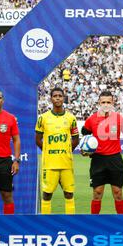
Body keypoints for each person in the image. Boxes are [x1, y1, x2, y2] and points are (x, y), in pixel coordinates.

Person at [81, 90, 123, 214]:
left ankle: (121, 222)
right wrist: (85, 151)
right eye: (103, 102)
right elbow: (85, 139)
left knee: (118, 193)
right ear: (99, 102)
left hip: (115, 159)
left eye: (108, 102)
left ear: (112, 103)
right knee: (97, 193)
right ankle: (94, 223)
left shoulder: (119, 119)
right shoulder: (91, 119)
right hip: (98, 160)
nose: (106, 104)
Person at [35, 87, 79, 215]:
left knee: (69, 194)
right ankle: (44, 222)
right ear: (51, 98)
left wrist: (66, 150)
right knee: (47, 195)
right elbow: (38, 139)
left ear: (63, 98)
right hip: (50, 164)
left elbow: (75, 139)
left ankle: (70, 222)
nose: (58, 98)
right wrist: (49, 150)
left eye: (60, 95)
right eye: (55, 96)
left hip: (66, 163)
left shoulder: (71, 118)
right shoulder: (43, 118)